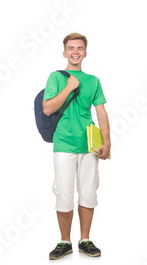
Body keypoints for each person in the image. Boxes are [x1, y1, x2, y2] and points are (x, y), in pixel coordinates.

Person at [42, 33, 111, 260]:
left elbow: (101, 111)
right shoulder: (56, 77)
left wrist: (107, 141)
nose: (75, 52)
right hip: (63, 143)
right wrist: (70, 86)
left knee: (89, 193)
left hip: (89, 144)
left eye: (79, 48)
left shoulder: (94, 81)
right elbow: (48, 108)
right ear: (64, 53)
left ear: (85, 53)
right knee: (64, 194)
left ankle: (85, 240)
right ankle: (64, 242)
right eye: (71, 48)